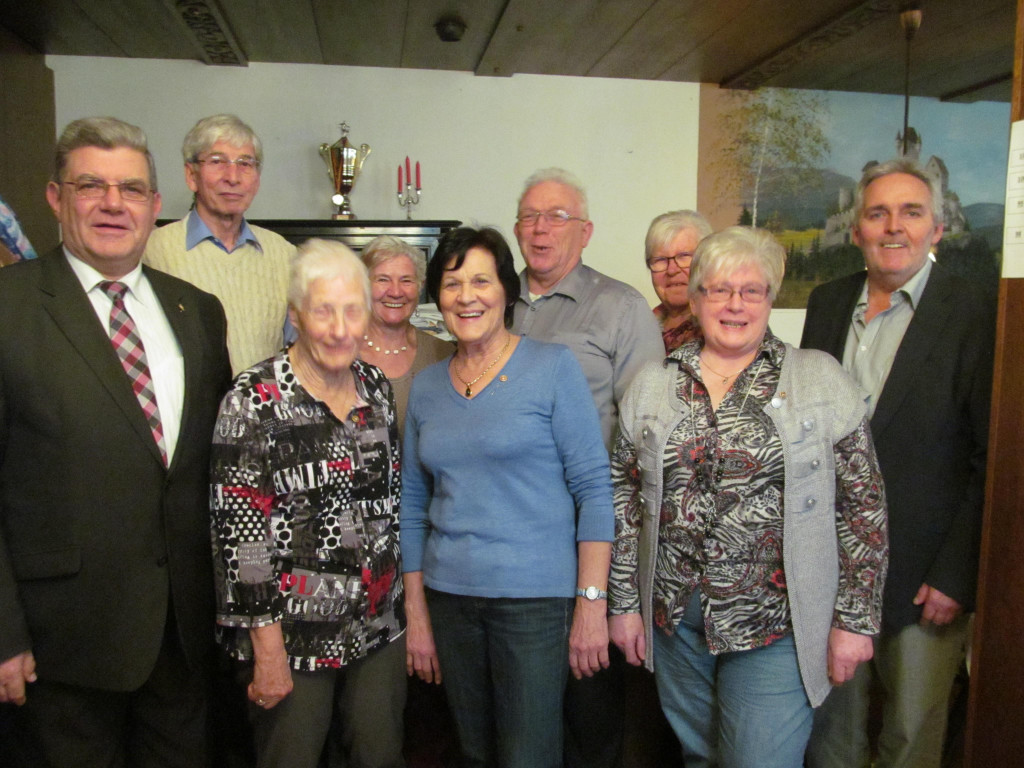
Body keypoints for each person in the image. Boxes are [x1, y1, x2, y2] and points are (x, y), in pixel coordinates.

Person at [609, 226, 889, 768]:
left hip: (777, 624)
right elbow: (623, 497)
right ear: (695, 300)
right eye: (718, 289)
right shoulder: (653, 383)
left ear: (769, 299)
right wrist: (623, 604)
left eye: (751, 290)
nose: (734, 304)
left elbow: (863, 506)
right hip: (675, 622)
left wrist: (855, 620)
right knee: (700, 756)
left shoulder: (819, 378)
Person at [0, 117, 231, 766]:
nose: (112, 204)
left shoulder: (197, 311)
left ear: (155, 206)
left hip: (183, 639)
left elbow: (214, 471)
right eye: (90, 186)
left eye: (130, 189)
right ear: (56, 197)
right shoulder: (9, 308)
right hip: (61, 645)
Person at [802, 159, 995, 768]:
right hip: (828, 567)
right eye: (877, 213)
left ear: (937, 227)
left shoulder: (978, 311)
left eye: (911, 212)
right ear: (857, 228)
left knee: (910, 739)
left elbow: (988, 456)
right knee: (832, 738)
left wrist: (957, 574)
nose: (893, 227)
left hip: (924, 574)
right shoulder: (828, 303)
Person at [401, 226, 614, 768]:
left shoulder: (552, 367)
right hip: (449, 599)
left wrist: (591, 603)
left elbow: (594, 488)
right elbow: (412, 508)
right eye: (451, 284)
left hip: (534, 603)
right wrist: (417, 612)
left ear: (506, 290)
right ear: (437, 298)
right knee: (473, 753)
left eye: (481, 281)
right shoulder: (426, 387)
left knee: (528, 756)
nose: (466, 296)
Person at [209, 239, 405, 768]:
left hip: (377, 626)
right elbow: (241, 539)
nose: (340, 329)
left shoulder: (376, 388)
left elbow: (388, 506)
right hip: (292, 638)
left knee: (379, 757)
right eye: (323, 311)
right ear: (295, 315)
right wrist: (268, 651)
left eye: (352, 310)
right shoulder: (252, 400)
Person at [511, 167, 663, 768]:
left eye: (557, 216)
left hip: (589, 534)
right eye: (529, 216)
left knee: (588, 703)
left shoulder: (620, 307)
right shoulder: (491, 300)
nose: (540, 229)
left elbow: (648, 438)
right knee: (522, 715)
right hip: (512, 539)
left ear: (586, 231)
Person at [145, 114, 295, 374]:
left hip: (267, 400)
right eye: (217, 162)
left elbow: (300, 353)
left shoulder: (285, 255)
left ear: (257, 178)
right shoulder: (153, 251)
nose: (233, 177)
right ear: (191, 175)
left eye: (245, 164)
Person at [359, 235, 453, 431]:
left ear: (420, 286)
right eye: (383, 279)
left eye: (406, 280)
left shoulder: (445, 355)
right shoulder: (339, 352)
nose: (395, 292)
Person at [645, 209, 712, 352]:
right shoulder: (639, 327)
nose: (672, 270)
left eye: (684, 256)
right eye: (660, 259)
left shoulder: (720, 330)